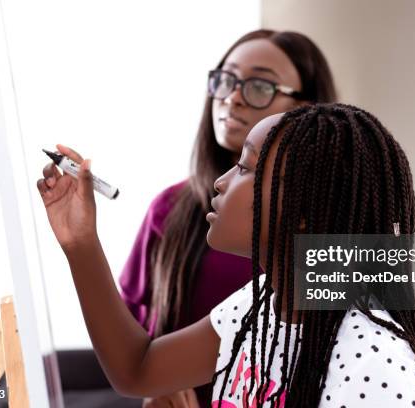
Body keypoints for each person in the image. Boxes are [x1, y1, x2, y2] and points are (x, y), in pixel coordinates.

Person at [36, 103, 415, 407]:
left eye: (246, 168)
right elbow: (138, 369)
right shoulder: (261, 308)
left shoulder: (376, 367)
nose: (220, 182)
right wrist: (81, 242)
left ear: (306, 211)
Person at [118, 29, 336, 406]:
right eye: (227, 79)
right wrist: (159, 385)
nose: (233, 97)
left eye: (260, 86)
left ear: (309, 110)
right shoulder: (170, 209)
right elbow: (133, 337)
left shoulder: (334, 222)